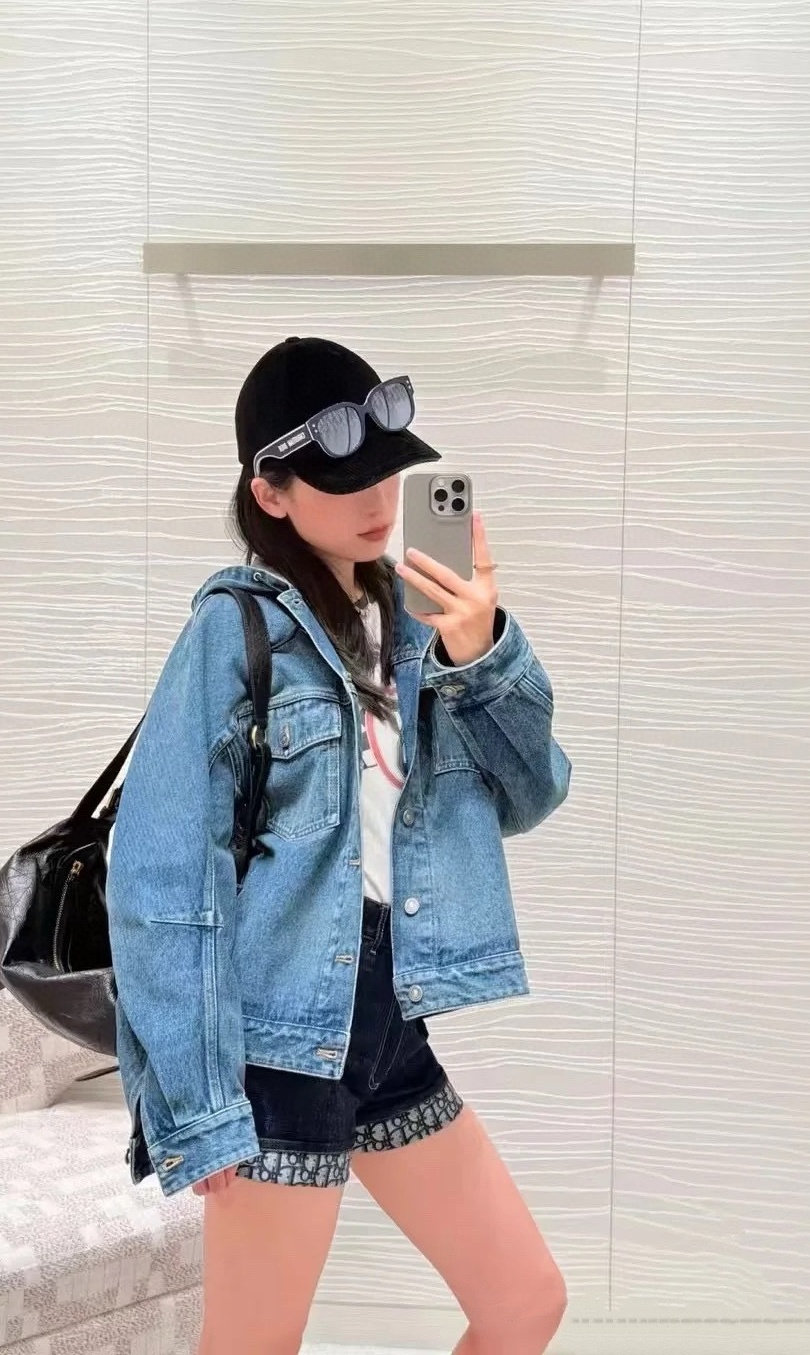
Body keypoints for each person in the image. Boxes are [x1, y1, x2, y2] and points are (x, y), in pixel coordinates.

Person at [107, 336, 573, 1355]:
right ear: (270, 494)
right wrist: (196, 1099)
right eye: (342, 478)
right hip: (275, 1041)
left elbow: (532, 792)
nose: (377, 497)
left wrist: (479, 650)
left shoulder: (418, 622)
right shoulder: (234, 631)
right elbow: (157, 874)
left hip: (389, 1019)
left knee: (526, 1303)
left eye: (387, 470)